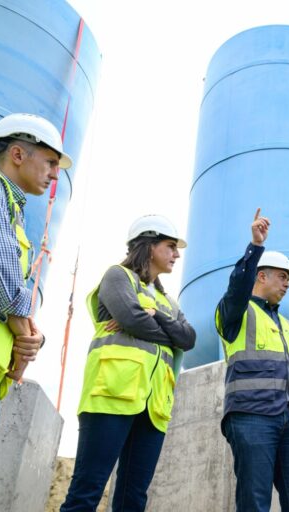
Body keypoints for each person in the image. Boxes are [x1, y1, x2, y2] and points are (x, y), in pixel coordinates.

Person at [0, 113, 66, 511]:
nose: (55, 174)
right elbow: (1, 275)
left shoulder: (13, 209)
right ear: (18, 154)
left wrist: (27, 338)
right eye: (51, 162)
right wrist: (27, 335)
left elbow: (11, 291)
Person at [61, 214, 196, 512]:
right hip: (111, 396)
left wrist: (157, 316)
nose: (176, 254)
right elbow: (133, 320)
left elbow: (188, 339)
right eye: (171, 246)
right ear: (149, 246)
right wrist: (165, 331)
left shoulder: (167, 301)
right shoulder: (117, 277)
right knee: (87, 492)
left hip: (153, 406)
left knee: (132, 499)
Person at [216, 209, 289, 512]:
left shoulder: (287, 325)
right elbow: (236, 289)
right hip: (251, 415)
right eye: (282, 277)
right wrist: (255, 247)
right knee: (255, 503)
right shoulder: (235, 313)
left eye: (288, 280)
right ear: (261, 275)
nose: (287, 284)